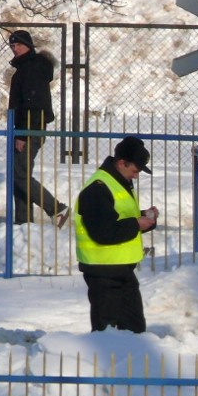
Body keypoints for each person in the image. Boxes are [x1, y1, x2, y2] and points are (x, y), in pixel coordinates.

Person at [74, 136, 158, 333]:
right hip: (103, 272)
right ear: (122, 162)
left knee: (134, 329)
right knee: (107, 334)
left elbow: (119, 218)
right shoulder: (99, 188)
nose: (136, 176)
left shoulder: (118, 181)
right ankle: (107, 365)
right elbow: (103, 232)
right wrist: (136, 223)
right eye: (135, 170)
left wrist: (144, 218)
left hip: (120, 271)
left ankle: (131, 363)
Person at [7, 30, 69, 228]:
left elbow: (33, 104)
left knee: (19, 176)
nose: (15, 49)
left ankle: (56, 208)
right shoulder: (27, 67)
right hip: (23, 129)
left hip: (29, 130)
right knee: (19, 175)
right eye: (12, 45)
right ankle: (23, 223)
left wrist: (24, 134)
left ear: (29, 45)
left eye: (18, 45)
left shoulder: (32, 68)